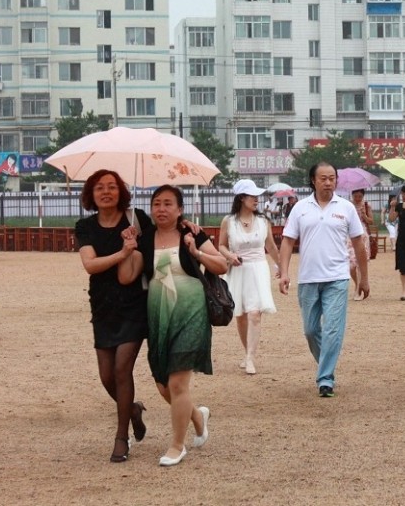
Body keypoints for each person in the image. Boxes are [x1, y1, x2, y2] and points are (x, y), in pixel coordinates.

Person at [118, 186, 227, 465]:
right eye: (156, 204)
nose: (161, 209)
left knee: (178, 382)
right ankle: (197, 415)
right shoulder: (144, 240)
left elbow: (221, 265)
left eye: (168, 204)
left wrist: (196, 252)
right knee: (163, 384)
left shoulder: (192, 233)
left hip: (191, 312)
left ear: (180, 209)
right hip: (159, 315)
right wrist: (127, 249)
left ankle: (177, 445)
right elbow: (126, 276)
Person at [75, 169, 152, 463]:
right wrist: (121, 252)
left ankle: (122, 437)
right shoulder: (85, 226)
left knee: (122, 369)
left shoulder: (137, 219)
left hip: (134, 304)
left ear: (121, 191)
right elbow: (90, 265)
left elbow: (156, 246)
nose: (106, 192)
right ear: (91, 195)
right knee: (106, 376)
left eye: (112, 187)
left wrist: (135, 245)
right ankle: (132, 409)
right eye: (99, 188)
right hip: (103, 305)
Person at [278, 162, 369, 398]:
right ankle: (325, 365)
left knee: (332, 330)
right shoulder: (300, 208)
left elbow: (359, 243)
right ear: (313, 181)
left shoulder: (346, 208)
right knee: (310, 330)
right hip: (308, 278)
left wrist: (364, 278)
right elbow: (287, 241)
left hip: (337, 277)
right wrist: (285, 272)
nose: (328, 183)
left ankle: (325, 378)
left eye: (332, 178)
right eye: (323, 178)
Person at [218, 179, 280, 375]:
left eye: (257, 196)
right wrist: (230, 256)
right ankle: (247, 352)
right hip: (238, 270)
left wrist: (281, 266)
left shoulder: (263, 221)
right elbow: (221, 245)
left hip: (258, 268)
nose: (256, 199)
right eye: (252, 196)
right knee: (241, 314)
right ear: (241, 198)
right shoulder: (229, 221)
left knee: (255, 313)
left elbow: (270, 246)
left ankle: (251, 357)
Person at [349, 188, 374, 301]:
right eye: (356, 196)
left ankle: (359, 289)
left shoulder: (366, 205)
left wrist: (364, 215)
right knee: (351, 265)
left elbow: (371, 221)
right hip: (349, 236)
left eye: (360, 196)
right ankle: (356, 283)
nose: (358, 198)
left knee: (360, 263)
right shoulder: (348, 206)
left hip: (362, 234)